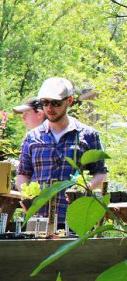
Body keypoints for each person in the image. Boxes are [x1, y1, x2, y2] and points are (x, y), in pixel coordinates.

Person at [17, 77, 107, 226]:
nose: (49, 108)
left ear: (69, 101)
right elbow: (22, 174)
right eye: (45, 103)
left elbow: (100, 173)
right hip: (39, 219)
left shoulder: (88, 135)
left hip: (76, 218)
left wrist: (84, 188)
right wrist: (27, 194)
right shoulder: (32, 137)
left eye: (56, 103)